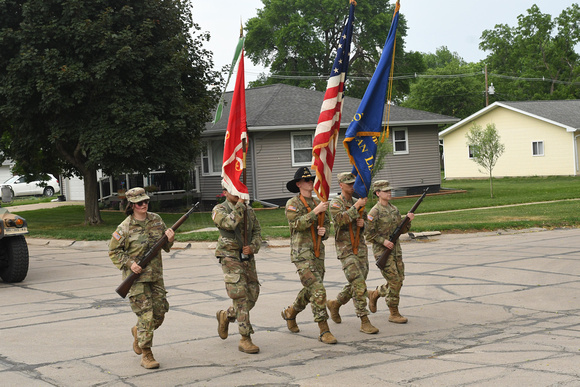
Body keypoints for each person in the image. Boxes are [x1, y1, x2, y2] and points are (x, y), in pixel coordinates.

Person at [109, 187, 175, 370]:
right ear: (131, 205)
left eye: (146, 201)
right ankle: (146, 353)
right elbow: (114, 251)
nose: (144, 205)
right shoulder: (124, 228)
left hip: (155, 276)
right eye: (139, 203)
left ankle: (138, 332)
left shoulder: (156, 220)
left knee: (160, 313)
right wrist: (130, 264)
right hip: (136, 280)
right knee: (146, 316)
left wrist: (170, 239)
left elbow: (167, 247)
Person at [281, 166, 337, 344]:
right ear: (298, 184)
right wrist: (315, 212)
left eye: (311, 180)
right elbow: (297, 224)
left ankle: (291, 312)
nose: (310, 183)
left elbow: (328, 225)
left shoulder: (318, 202)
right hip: (302, 254)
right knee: (318, 290)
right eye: (306, 180)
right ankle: (324, 330)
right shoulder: (293, 204)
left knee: (310, 290)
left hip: (317, 253)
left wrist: (324, 231)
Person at [212, 183, 262, 354]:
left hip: (247, 256)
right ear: (225, 192)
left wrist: (253, 247)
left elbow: (257, 232)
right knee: (240, 295)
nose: (237, 193)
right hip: (229, 256)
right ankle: (245, 338)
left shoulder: (249, 210)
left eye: (239, 190)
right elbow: (228, 223)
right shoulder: (219, 209)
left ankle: (227, 315)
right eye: (233, 191)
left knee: (252, 293)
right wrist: (240, 205)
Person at [326, 172, 379, 334]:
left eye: (353, 183)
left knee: (358, 281)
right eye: (348, 184)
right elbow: (340, 220)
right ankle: (364, 319)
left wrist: (363, 225)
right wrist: (356, 208)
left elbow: (368, 229)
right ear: (341, 185)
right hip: (346, 249)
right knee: (358, 283)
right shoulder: (335, 203)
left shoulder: (358, 202)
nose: (351, 186)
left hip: (360, 248)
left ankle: (335, 304)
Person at [365, 180, 414, 324]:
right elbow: (368, 234)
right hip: (382, 252)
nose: (389, 193)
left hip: (396, 251)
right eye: (386, 191)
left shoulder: (394, 210)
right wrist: (383, 241)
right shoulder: (374, 212)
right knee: (394, 281)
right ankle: (394, 312)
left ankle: (376, 293)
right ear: (378, 193)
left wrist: (408, 221)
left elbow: (402, 230)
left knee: (399, 280)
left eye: (389, 190)